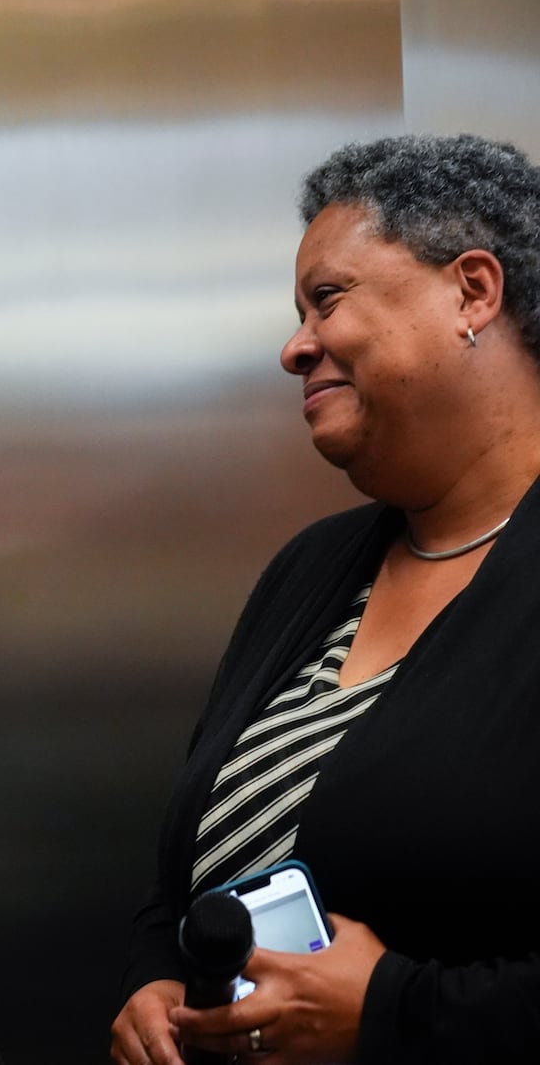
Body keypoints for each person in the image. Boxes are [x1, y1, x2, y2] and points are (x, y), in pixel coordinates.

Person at [110, 132, 540, 1065]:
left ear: (473, 291)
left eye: (328, 299)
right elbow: (185, 869)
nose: (295, 346)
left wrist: (393, 1010)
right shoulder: (313, 570)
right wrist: (155, 977)